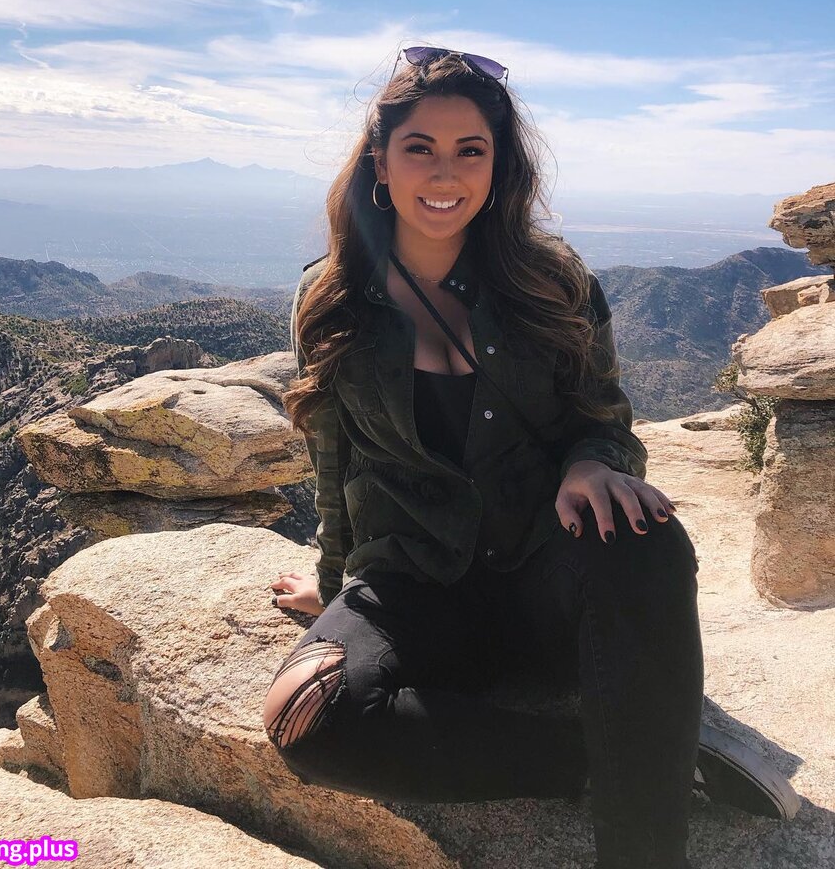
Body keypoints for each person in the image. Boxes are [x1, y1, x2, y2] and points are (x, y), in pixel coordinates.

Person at [262, 47, 798, 869]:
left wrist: (592, 464)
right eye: (420, 148)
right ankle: (638, 758)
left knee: (648, 534)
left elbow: (606, 421)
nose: (445, 172)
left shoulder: (551, 281)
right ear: (381, 160)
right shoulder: (328, 297)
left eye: (470, 150)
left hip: (547, 582)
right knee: (309, 717)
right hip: (415, 583)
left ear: (499, 164)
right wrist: (336, 589)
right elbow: (334, 466)